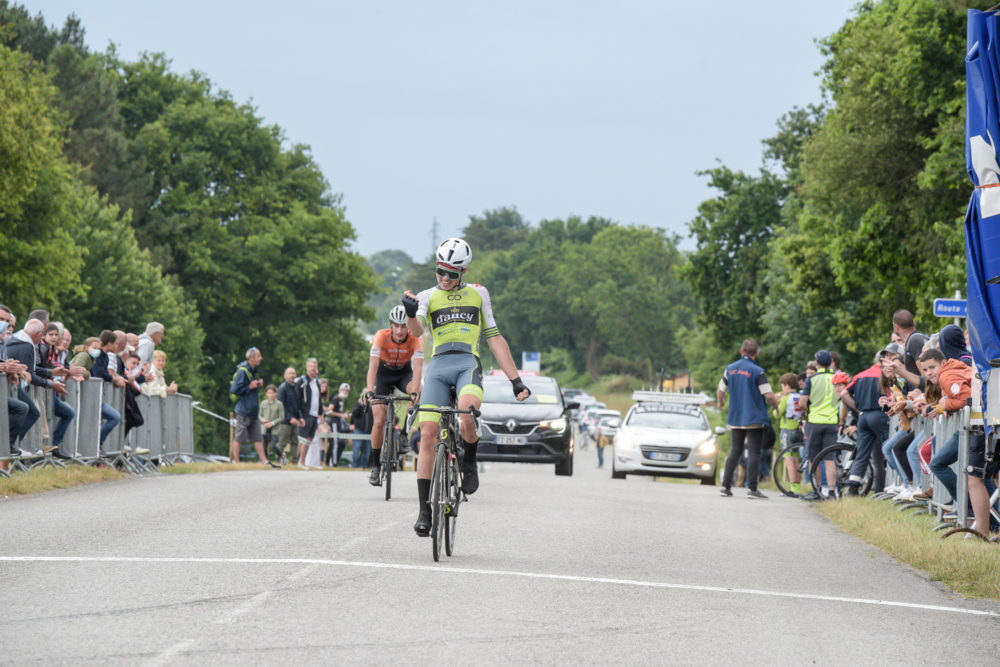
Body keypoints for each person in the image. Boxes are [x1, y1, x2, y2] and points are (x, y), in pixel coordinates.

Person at [402, 237, 530, 536]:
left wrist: (515, 379)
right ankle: (424, 511)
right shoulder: (427, 296)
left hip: (466, 364)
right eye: (440, 271)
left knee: (467, 412)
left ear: (464, 272)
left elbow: (494, 337)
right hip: (439, 366)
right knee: (427, 433)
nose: (444, 279)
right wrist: (409, 312)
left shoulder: (479, 293)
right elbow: (417, 330)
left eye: (452, 274)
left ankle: (469, 461)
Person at [363, 305, 424, 486]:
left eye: (403, 326)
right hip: (383, 375)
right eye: (396, 326)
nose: (399, 330)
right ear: (391, 325)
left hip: (403, 374)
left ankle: (404, 433)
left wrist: (415, 392)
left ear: (408, 326)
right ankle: (375, 466)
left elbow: (418, 369)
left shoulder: (416, 338)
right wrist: (369, 389)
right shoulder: (380, 336)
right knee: (379, 421)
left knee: (420, 389)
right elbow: (373, 366)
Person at [717, 338, 779, 499]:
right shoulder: (758, 371)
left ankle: (725, 486)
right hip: (754, 417)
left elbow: (721, 390)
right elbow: (769, 395)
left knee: (735, 450)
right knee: (754, 452)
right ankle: (752, 489)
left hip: (735, 416)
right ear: (757, 353)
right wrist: (776, 407)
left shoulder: (730, 369)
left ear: (741, 351)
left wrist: (720, 402)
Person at [6, 318, 73, 455]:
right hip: (9, 385)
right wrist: (51, 384)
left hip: (11, 384)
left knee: (30, 411)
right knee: (30, 412)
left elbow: (30, 369)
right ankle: (10, 445)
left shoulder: (18, 339)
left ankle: (12, 445)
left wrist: (51, 372)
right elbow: (32, 374)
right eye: (44, 334)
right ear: (38, 334)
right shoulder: (26, 345)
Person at [799, 350, 842, 501]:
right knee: (829, 458)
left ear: (816, 363)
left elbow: (802, 403)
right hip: (832, 422)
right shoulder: (836, 378)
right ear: (831, 362)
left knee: (814, 458)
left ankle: (816, 490)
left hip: (814, 421)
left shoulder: (812, 379)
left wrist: (808, 409)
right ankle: (831, 492)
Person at [229, 347, 277, 467]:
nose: (261, 358)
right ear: (251, 358)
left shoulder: (254, 371)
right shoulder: (243, 371)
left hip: (253, 411)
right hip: (243, 411)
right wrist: (249, 387)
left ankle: (265, 461)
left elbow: (251, 386)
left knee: (257, 438)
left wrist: (258, 384)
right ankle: (236, 462)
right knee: (239, 437)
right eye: (258, 356)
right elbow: (234, 389)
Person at [776, 372, 804, 497]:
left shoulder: (785, 398)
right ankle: (797, 487)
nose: (782, 389)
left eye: (782, 386)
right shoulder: (799, 396)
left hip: (786, 430)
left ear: (787, 385)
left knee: (788, 459)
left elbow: (777, 414)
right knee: (796, 458)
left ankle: (793, 489)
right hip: (797, 429)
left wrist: (777, 401)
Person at [295, 357, 322, 467]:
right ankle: (298, 461)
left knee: (309, 438)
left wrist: (321, 413)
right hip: (306, 414)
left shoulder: (317, 382)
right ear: (307, 368)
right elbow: (297, 399)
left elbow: (319, 398)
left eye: (314, 366)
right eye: (311, 366)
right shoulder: (302, 381)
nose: (313, 368)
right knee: (303, 438)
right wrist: (300, 415)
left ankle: (303, 461)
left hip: (315, 414)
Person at [276, 366, 304, 467]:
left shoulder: (296, 388)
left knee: (295, 442)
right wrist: (289, 418)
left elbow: (298, 405)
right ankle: (277, 461)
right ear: (285, 375)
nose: (292, 375)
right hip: (284, 421)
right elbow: (281, 406)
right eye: (290, 373)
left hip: (295, 420)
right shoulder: (282, 388)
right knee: (282, 443)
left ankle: (294, 462)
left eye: (293, 373)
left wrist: (300, 417)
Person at [326, 383, 351, 466]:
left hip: (338, 422)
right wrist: (342, 415)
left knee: (335, 443)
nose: (345, 392)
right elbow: (329, 411)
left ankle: (328, 462)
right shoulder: (335, 399)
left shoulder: (341, 400)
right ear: (339, 390)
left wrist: (344, 415)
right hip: (334, 422)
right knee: (335, 443)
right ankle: (334, 463)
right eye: (343, 390)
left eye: (347, 391)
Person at [259, 384, 285, 465]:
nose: (271, 395)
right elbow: (259, 415)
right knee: (264, 446)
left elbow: (282, 417)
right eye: (269, 393)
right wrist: (262, 420)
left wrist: (272, 423)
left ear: (276, 393)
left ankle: (282, 455)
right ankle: (267, 462)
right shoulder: (263, 403)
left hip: (275, 428)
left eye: (273, 393)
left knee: (273, 445)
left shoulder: (279, 404)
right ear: (266, 394)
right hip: (264, 428)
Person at [350, 395, 373, 468]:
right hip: (359, 430)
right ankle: (354, 465)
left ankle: (363, 466)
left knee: (366, 450)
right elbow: (354, 414)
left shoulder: (372, 406)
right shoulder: (358, 405)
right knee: (356, 448)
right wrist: (360, 405)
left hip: (369, 431)